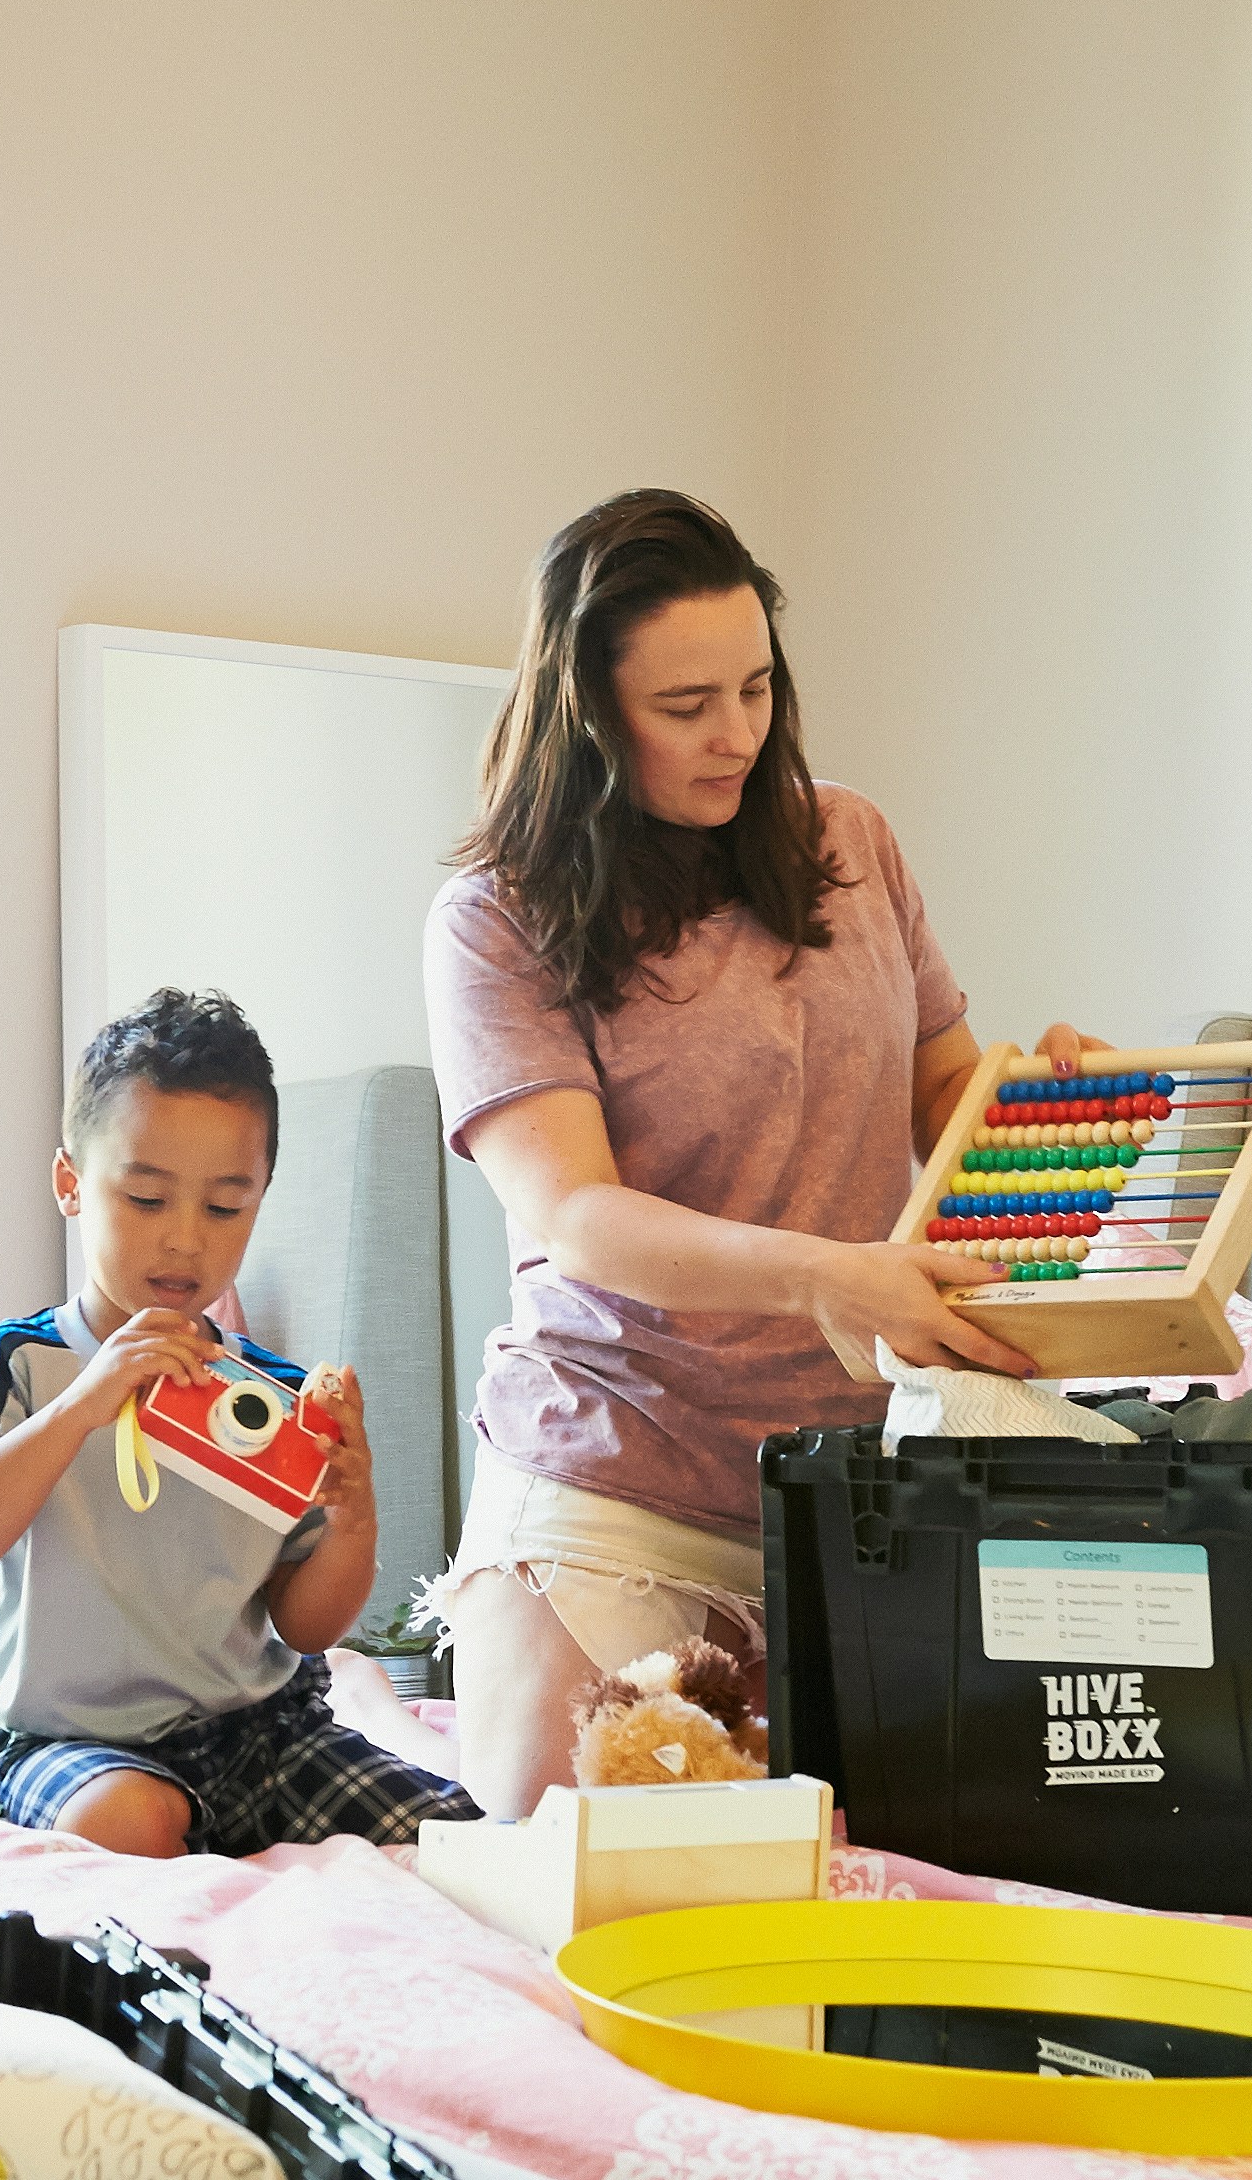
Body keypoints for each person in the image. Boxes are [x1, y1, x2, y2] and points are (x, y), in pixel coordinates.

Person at [418, 489, 1100, 1816]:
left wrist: (1051, 1109)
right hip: (617, 1464)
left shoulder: (851, 842)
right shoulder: (492, 922)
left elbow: (943, 1089)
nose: (738, 732)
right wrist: (824, 1277)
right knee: (563, 1835)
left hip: (844, 1488)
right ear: (589, 711)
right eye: (687, 707)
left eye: (757, 687)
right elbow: (576, 1215)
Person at [0, 987, 484, 1857]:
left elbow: (305, 1627)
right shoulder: (17, 1363)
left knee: (464, 1838)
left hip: (261, 1733)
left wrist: (355, 1515)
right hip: (68, 1739)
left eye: (224, 1206)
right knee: (126, 1823)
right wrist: (82, 1406)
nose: (184, 1241)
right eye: (145, 1199)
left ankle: (368, 1728)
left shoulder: (270, 1395)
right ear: (71, 1183)